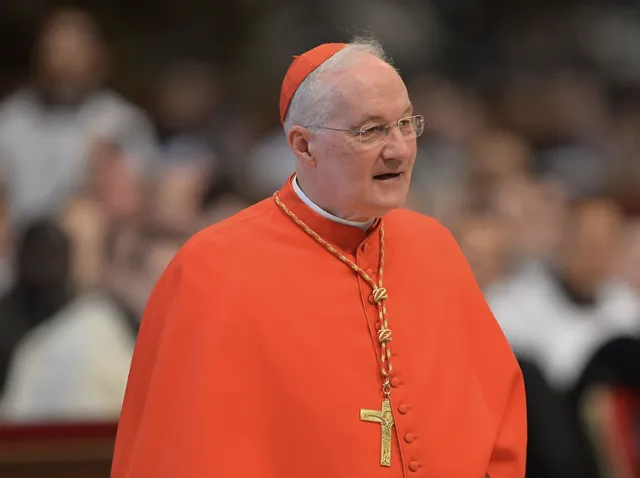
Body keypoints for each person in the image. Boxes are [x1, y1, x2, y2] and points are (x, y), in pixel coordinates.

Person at [111, 38, 527, 478]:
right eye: (371, 131)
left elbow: (497, 415)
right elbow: (184, 453)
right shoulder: (212, 269)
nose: (400, 150)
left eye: (406, 124)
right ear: (304, 146)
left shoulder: (434, 247)